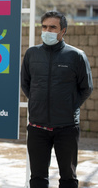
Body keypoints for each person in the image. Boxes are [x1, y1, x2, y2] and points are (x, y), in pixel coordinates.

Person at [21, 11, 93, 188]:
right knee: (37, 178)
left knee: (68, 178)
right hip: (37, 127)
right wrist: (40, 103)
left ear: (63, 31)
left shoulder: (76, 56)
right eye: (44, 27)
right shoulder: (32, 54)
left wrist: (68, 106)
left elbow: (86, 88)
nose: (47, 31)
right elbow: (26, 84)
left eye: (53, 27)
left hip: (66, 127)